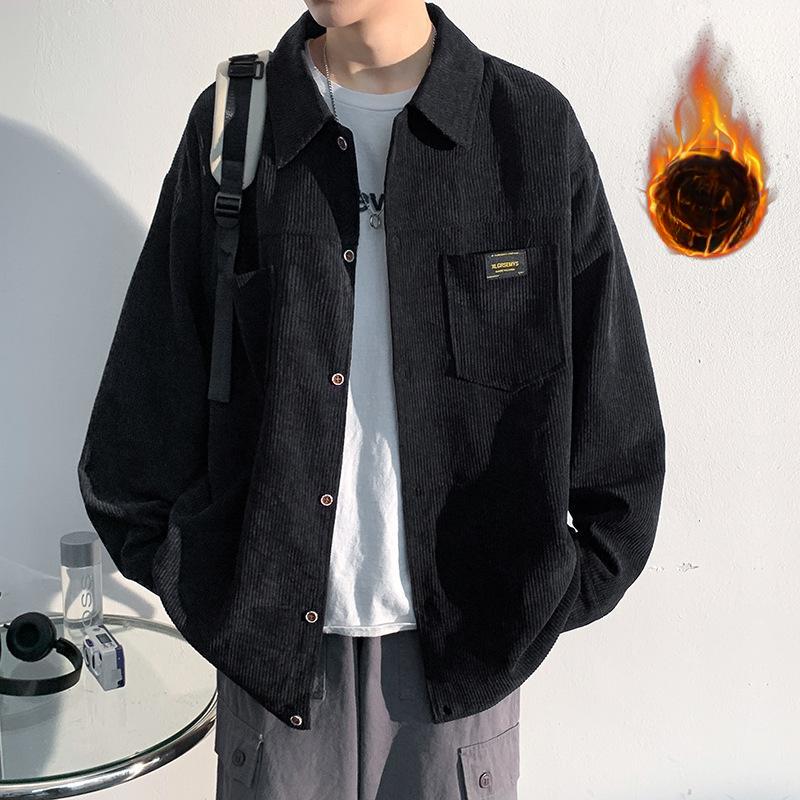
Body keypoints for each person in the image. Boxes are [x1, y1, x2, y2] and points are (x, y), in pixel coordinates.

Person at [77, 1, 667, 798]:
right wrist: (211, 589)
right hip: (273, 665)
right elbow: (145, 401)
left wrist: (536, 599)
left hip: (460, 664)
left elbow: (615, 414)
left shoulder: (529, 131)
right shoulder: (240, 123)